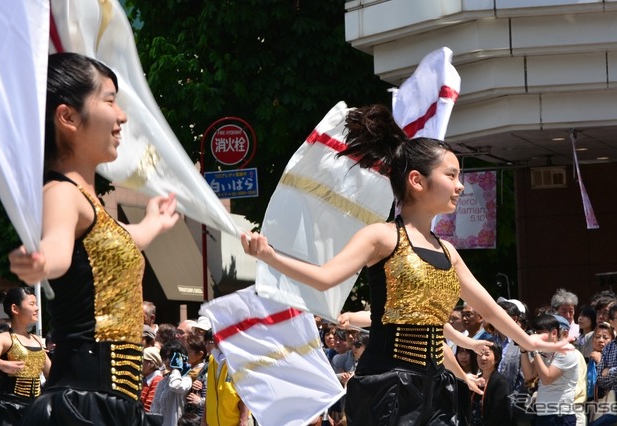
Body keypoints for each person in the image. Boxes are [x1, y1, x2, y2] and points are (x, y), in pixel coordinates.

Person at [241, 104, 571, 426]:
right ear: (416, 180)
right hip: (386, 388)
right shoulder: (381, 237)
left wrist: (529, 342)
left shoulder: (448, 251)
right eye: (451, 175)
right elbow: (326, 278)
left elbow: (487, 306)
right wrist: (271, 257)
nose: (460, 185)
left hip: (437, 389)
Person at [8, 52, 179, 425]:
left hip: (110, 403)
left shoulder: (91, 205)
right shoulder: (61, 192)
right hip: (83, 405)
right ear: (68, 117)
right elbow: (57, 248)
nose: (122, 116)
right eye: (109, 100)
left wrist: (153, 223)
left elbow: (121, 240)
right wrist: (41, 261)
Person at [0, 286, 52, 424]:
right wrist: (3, 364)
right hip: (8, 408)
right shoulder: (4, 338)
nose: (37, 308)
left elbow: (51, 374)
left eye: (36, 304)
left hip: (35, 408)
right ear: (15, 309)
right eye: (32, 304)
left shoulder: (37, 340)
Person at [520, 314, 579, 426]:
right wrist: (523, 351)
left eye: (540, 333)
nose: (536, 337)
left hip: (561, 415)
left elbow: (547, 378)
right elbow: (529, 376)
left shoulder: (567, 351)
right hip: (543, 414)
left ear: (554, 333)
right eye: (535, 333)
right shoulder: (544, 351)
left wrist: (535, 350)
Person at [470, 341, 510, 426]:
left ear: (496, 359)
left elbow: (497, 415)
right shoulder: (474, 380)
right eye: (480, 354)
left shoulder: (501, 383)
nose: (483, 358)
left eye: (487, 354)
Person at [141, 346, 165, 412]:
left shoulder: (157, 380)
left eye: (142, 360)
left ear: (151, 363)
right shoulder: (144, 379)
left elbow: (148, 408)